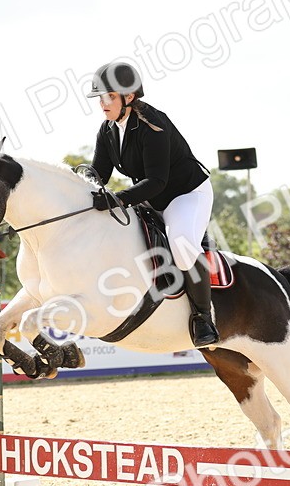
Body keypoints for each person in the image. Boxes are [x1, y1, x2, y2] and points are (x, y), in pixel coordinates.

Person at [86, 61, 219, 347]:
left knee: (182, 247)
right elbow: (100, 174)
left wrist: (118, 198)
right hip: (149, 197)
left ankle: (203, 318)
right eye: (100, 97)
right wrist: (82, 183)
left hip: (185, 195)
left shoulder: (153, 125)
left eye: (109, 97)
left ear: (129, 97)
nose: (102, 103)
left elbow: (157, 181)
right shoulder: (108, 129)